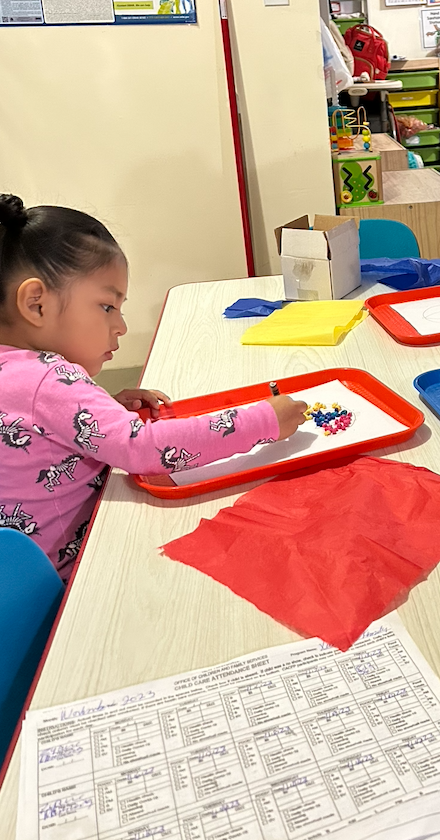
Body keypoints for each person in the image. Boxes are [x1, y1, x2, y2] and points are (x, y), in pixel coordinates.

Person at [0, 196, 306, 579]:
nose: (121, 327)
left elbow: (36, 435)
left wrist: (100, 407)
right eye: (108, 307)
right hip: (62, 589)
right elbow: (142, 448)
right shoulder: (47, 380)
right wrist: (264, 421)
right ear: (36, 304)